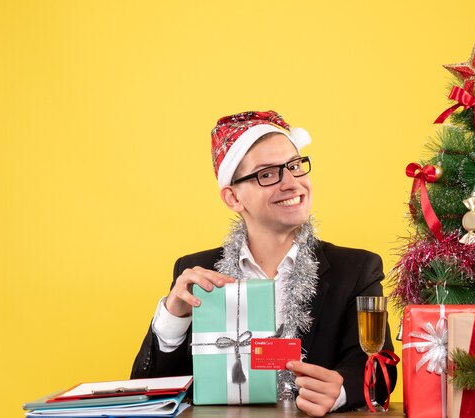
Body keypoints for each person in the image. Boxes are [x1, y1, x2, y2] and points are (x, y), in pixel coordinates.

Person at [131, 111, 396, 416]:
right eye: (267, 174)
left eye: (295, 166)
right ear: (233, 198)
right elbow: (148, 393)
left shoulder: (356, 269)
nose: (292, 183)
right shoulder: (197, 274)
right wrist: (173, 318)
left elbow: (380, 372)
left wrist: (341, 391)